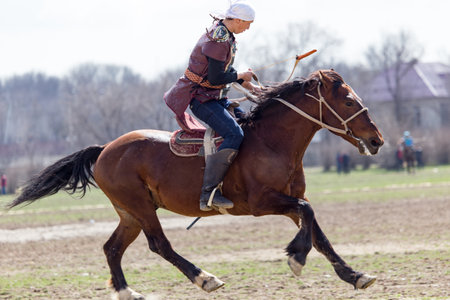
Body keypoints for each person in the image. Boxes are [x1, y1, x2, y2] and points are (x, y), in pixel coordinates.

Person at [164, 1, 259, 211]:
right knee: (235, 135)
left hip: (215, 98)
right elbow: (216, 78)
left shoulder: (225, 35)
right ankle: (209, 193)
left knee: (247, 126)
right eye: (247, 23)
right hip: (202, 100)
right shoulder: (219, 39)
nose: (248, 28)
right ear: (237, 20)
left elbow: (223, 73)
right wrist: (240, 75)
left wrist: (249, 85)